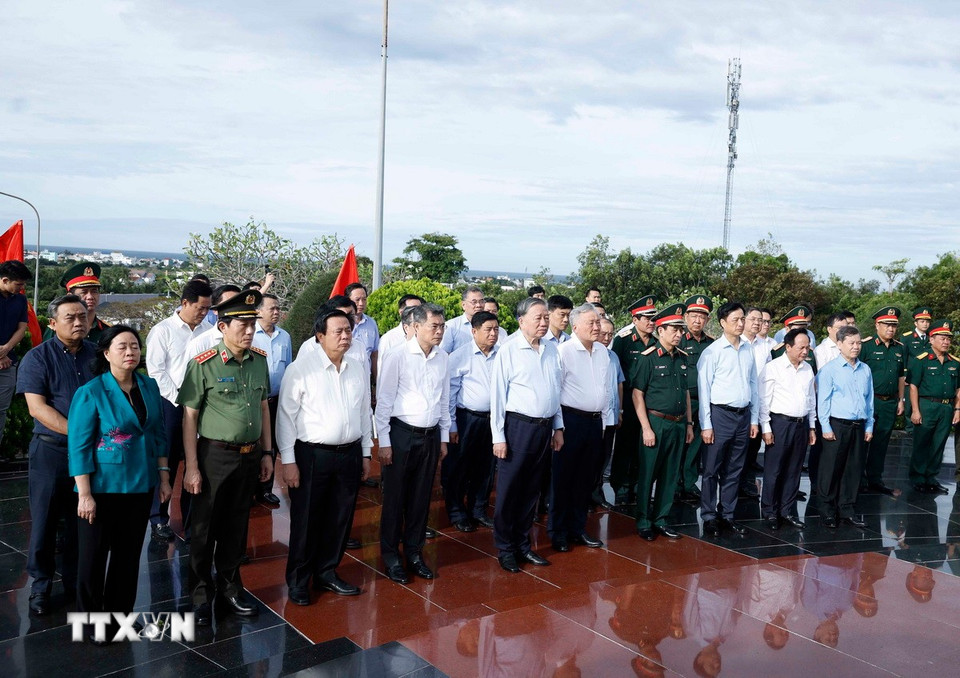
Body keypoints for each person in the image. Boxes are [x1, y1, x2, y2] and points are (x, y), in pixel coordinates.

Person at [67, 326, 169, 644]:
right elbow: (79, 445)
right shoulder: (92, 391)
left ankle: (118, 620)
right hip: (101, 488)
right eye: (122, 346)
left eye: (135, 346)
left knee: (127, 559)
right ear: (106, 353)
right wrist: (84, 493)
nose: (130, 352)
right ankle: (89, 623)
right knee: (93, 558)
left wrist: (164, 477)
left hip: (140, 486)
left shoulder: (149, 386)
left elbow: (158, 434)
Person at [178, 290, 274, 625]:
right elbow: (189, 416)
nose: (249, 330)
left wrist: (267, 453)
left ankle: (232, 588)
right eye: (242, 325)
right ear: (222, 327)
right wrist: (191, 467)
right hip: (213, 456)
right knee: (204, 529)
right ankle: (201, 594)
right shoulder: (203, 365)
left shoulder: (259, 361)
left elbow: (263, 407)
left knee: (236, 527)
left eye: (252, 323)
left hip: (249, 456)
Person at [277, 309, 372, 604]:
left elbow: (363, 413)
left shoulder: (357, 367)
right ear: (320, 336)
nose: (346, 336)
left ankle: (327, 572)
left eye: (348, 331)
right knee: (307, 520)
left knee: (340, 517)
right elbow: (285, 418)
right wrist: (289, 461)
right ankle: (299, 580)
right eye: (338, 332)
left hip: (350, 453)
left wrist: (366, 452)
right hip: (312, 455)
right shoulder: (301, 369)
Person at [17, 294, 98, 615]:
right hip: (51, 453)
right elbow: (38, 409)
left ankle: (76, 582)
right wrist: (82, 436)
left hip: (93, 454)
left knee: (83, 520)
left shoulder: (97, 355)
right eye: (70, 318)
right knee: (45, 520)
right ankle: (40, 585)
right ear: (52, 323)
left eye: (83, 316)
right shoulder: (38, 358)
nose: (79, 322)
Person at [375, 303, 450, 584]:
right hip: (401, 434)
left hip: (430, 436)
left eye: (442, 326)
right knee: (395, 499)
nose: (439, 331)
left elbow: (444, 401)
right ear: (416, 326)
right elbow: (383, 402)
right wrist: (384, 442)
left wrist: (443, 437)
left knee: (421, 499)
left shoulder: (443, 357)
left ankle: (415, 553)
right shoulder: (398, 356)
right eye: (434, 326)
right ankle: (391, 556)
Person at [490, 297, 562, 573]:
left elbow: (556, 392)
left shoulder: (552, 350)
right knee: (510, 491)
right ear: (521, 321)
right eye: (538, 318)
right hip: (518, 427)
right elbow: (497, 396)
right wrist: (498, 436)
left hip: (544, 428)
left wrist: (558, 426)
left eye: (546, 317)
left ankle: (523, 545)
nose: (544, 322)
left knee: (532, 490)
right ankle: (505, 548)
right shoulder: (508, 351)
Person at [145, 279, 213, 541]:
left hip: (203, 406)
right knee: (168, 463)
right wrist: (181, 399)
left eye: (208, 308)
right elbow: (156, 372)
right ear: (185, 303)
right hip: (171, 405)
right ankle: (158, 518)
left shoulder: (209, 331)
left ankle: (192, 517)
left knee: (197, 462)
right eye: (200, 308)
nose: (204, 313)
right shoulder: (163, 331)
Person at [550, 304, 611, 551]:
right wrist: (558, 428)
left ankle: (578, 528)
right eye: (591, 323)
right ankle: (558, 532)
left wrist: (604, 424)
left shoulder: (603, 352)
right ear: (575, 326)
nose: (597, 327)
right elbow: (555, 391)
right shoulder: (563, 352)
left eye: (598, 322)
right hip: (570, 421)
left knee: (586, 480)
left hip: (595, 422)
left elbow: (605, 390)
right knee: (563, 479)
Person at [632, 303, 693, 541]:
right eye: (674, 329)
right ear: (660, 330)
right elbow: (637, 394)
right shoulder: (648, 358)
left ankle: (661, 518)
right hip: (656, 422)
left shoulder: (682, 358)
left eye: (681, 330)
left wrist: (689, 424)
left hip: (678, 424)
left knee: (670, 474)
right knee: (648, 474)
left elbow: (686, 392)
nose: (679, 334)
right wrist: (646, 428)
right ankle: (644, 520)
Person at [697, 301, 759, 537]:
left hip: (743, 416)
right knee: (712, 469)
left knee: (735, 468)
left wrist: (753, 419)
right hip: (720, 415)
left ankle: (728, 514)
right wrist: (707, 424)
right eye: (736, 319)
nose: (741, 323)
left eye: (743, 318)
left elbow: (753, 384)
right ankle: (709, 515)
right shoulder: (712, 352)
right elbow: (704, 390)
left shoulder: (747, 349)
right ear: (722, 323)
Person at [446, 311, 500, 531]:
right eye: (488, 329)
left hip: (492, 419)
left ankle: (478, 509)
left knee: (486, 467)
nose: (493, 334)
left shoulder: (502, 354)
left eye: (496, 329)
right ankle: (457, 511)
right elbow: (449, 393)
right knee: (459, 466)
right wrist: (451, 425)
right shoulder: (460, 356)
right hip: (466, 418)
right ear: (474, 331)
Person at [757, 328, 816, 530]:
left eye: (807, 347)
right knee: (774, 470)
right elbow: (764, 400)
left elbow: (811, 399)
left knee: (794, 470)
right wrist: (765, 427)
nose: (805, 351)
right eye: (801, 347)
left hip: (801, 424)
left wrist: (812, 426)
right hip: (779, 423)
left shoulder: (808, 369)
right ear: (788, 346)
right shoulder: (773, 368)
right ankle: (769, 512)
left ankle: (786, 511)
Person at [817, 325, 873, 528]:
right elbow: (823, 401)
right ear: (839, 344)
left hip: (859, 426)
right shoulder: (829, 370)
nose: (856, 347)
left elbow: (869, 401)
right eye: (852, 343)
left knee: (853, 469)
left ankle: (847, 508)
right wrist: (825, 426)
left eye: (858, 343)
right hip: (836, 425)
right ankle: (827, 509)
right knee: (831, 469)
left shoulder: (865, 369)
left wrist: (869, 426)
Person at [609, 296, 658, 506]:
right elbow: (615, 372)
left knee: (644, 446)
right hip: (628, 399)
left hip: (649, 400)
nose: (650, 322)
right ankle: (621, 486)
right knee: (625, 445)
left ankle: (639, 486)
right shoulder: (624, 339)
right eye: (645, 318)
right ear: (635, 319)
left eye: (652, 318)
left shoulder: (656, 341)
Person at [907, 319, 960, 494]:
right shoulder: (921, 360)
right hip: (927, 405)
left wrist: (957, 409)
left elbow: (958, 388)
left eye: (948, 339)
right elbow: (913, 385)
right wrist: (915, 410)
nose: (946, 342)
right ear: (931, 339)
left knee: (939, 444)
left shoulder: (955, 362)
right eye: (942, 338)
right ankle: (918, 477)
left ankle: (931, 477)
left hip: (946, 408)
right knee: (922, 443)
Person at [858, 307, 907, 497]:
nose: (891, 329)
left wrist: (901, 400)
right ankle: (860, 479)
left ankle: (875, 479)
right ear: (877, 324)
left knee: (882, 442)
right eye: (887, 324)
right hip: (870, 402)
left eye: (894, 325)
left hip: (889, 403)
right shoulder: (866, 346)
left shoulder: (900, 348)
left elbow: (901, 376)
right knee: (863, 442)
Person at [252, 293, 292, 506]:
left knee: (272, 445)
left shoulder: (284, 336)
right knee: (254, 445)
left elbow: (290, 367)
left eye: (278, 308)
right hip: (256, 401)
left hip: (278, 400)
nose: (276, 312)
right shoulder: (251, 335)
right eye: (272, 309)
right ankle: (250, 487)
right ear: (258, 311)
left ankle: (266, 490)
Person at [678, 295, 714, 504]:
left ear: (707, 320)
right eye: (693, 316)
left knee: (695, 446)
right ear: (686, 317)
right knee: (678, 446)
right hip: (683, 401)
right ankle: (673, 485)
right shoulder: (679, 339)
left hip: (702, 401)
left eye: (702, 317)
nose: (697, 321)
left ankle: (689, 483)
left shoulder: (711, 344)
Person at [593, 317, 624, 510]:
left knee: (604, 457)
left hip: (612, 415)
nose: (606, 338)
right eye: (603, 334)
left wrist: (620, 410)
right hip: (594, 417)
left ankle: (597, 492)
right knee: (590, 458)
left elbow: (619, 383)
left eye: (610, 335)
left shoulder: (613, 356)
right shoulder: (590, 355)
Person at [0, 260, 30, 448]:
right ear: (4, 280)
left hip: (7, 363)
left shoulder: (20, 299)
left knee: (1, 412)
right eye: (18, 284)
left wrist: (6, 350)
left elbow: (22, 327)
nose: (22, 288)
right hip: (3, 359)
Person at [42, 262, 111, 343]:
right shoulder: (57, 328)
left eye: (94, 291)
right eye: (84, 292)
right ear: (70, 296)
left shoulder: (108, 331)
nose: (90, 297)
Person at [185, 284, 242, 357]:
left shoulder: (251, 341)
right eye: (229, 305)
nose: (234, 309)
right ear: (215, 310)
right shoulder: (199, 344)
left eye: (238, 304)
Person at [345, 282, 379, 382]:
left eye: (364, 299)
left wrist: (376, 381)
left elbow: (374, 354)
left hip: (365, 378)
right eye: (357, 300)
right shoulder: (342, 323)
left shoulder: (371, 323)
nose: (361, 303)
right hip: (347, 376)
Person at [377, 294, 424, 362]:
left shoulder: (424, 335)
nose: (418, 313)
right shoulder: (388, 339)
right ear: (401, 312)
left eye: (420, 309)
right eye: (413, 309)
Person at [441, 286, 485, 353]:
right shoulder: (451, 326)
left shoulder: (491, 326)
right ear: (463, 305)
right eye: (474, 302)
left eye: (481, 301)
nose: (478, 305)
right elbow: (443, 353)